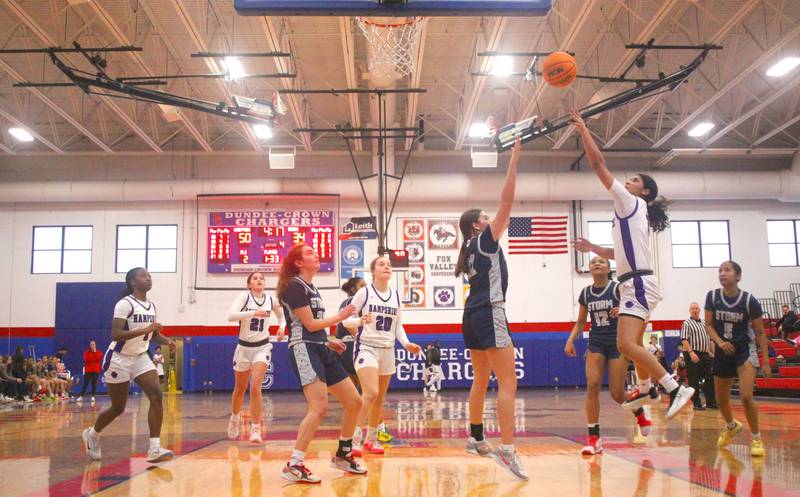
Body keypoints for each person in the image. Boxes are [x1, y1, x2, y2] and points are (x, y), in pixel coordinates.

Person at [569, 110, 695, 420]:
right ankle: (645, 387)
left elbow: (598, 165)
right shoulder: (633, 212)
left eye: (635, 180)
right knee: (634, 342)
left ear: (644, 191)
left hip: (637, 283)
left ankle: (674, 387)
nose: (629, 181)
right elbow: (619, 254)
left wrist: (584, 131)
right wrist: (593, 248)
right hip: (638, 281)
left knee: (625, 343)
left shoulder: (630, 201)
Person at [455, 135, 527, 481]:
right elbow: (507, 201)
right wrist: (513, 160)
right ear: (476, 225)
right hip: (490, 310)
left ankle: (475, 437)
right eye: (485, 217)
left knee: (481, 377)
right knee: (508, 382)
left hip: (471, 314)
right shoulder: (485, 240)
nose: (491, 218)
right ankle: (508, 451)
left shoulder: (467, 248)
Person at [277, 244, 366, 484]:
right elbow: (309, 325)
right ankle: (294, 464)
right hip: (303, 349)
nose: (315, 254)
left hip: (319, 347)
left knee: (354, 401)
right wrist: (340, 317)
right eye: (309, 253)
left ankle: (343, 455)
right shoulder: (294, 286)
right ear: (298, 263)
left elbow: (314, 327)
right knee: (319, 407)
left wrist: (328, 341)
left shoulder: (311, 287)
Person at [81, 267, 176, 463]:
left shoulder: (151, 306)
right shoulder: (124, 304)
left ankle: (154, 448)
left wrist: (167, 341)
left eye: (149, 275)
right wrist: (147, 329)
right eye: (143, 275)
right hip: (119, 358)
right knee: (118, 407)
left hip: (140, 356)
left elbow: (153, 334)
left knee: (156, 396)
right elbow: (116, 334)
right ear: (132, 281)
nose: (148, 278)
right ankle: (92, 434)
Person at [564, 255, 653, 455]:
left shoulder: (618, 289)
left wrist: (622, 310)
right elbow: (581, 322)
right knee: (592, 385)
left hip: (617, 342)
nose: (597, 263)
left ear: (608, 268)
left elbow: (638, 310)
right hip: (596, 342)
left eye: (601, 261)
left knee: (617, 393)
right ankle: (594, 438)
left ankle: (639, 412)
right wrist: (570, 340)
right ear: (589, 268)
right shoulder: (586, 293)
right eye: (593, 262)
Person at [344, 256, 422, 456]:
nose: (386, 266)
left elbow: (398, 326)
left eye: (388, 265)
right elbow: (345, 320)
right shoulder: (365, 292)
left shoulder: (395, 295)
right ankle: (353, 439)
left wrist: (406, 344)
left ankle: (372, 439)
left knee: (379, 398)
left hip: (388, 349)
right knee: (370, 393)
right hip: (366, 347)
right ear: (373, 272)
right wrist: (360, 321)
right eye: (381, 264)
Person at [705, 261, 770, 457]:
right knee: (721, 400)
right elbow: (708, 325)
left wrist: (766, 361)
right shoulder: (712, 296)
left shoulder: (749, 300)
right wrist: (720, 342)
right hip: (722, 351)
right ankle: (731, 426)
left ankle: (756, 439)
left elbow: (760, 332)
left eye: (727, 270)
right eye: (720, 270)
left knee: (746, 396)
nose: (722, 273)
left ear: (738, 276)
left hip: (744, 350)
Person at [227, 271, 286, 445]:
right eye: (255, 278)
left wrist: (281, 327)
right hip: (243, 348)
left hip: (262, 347)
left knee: (255, 388)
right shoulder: (244, 297)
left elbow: (282, 315)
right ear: (249, 284)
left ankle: (255, 428)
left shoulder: (270, 300)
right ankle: (235, 418)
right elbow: (231, 316)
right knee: (240, 388)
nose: (259, 280)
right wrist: (253, 313)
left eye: (262, 278)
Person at [681, 302, 716, 410]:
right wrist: (691, 352)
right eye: (692, 309)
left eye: (696, 308)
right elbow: (684, 340)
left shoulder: (704, 323)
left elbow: (710, 339)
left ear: (699, 310)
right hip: (692, 354)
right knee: (693, 380)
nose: (695, 310)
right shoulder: (686, 323)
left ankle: (711, 402)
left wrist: (713, 353)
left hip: (705, 354)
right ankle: (696, 403)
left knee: (710, 378)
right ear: (690, 311)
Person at [336, 277, 367, 391]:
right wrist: (362, 340)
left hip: (343, 347)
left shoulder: (344, 303)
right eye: (362, 285)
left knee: (353, 388)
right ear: (353, 289)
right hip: (352, 346)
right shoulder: (354, 301)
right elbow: (348, 325)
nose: (365, 288)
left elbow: (338, 328)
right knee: (366, 387)